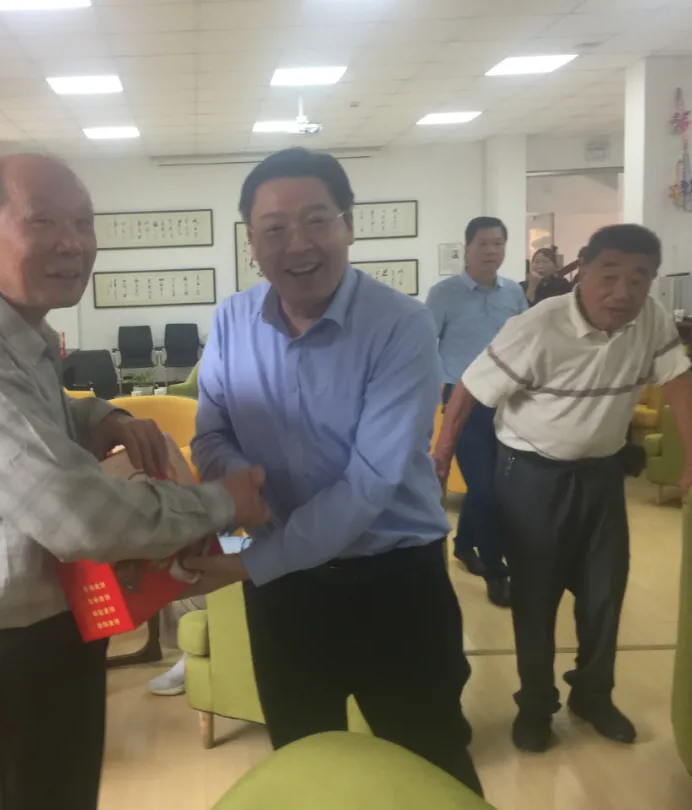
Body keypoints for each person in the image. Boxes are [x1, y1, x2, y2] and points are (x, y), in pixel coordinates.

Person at [0, 153, 269, 810]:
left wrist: (105, 418)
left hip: (55, 629)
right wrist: (220, 503)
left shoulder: (18, 335)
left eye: (83, 222)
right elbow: (80, 519)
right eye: (43, 222)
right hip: (6, 655)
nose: (72, 243)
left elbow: (42, 418)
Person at [181, 147, 482, 796]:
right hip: (286, 596)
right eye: (274, 228)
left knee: (429, 764)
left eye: (316, 220)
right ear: (252, 243)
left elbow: (370, 481)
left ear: (349, 224)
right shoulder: (232, 320)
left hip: (393, 584)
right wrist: (244, 486)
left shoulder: (401, 325)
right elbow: (211, 433)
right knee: (303, 765)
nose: (298, 244)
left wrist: (253, 559)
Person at [433, 223, 692, 754]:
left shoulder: (651, 320)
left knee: (604, 595)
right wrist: (439, 458)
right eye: (609, 275)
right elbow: (468, 392)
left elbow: (682, 385)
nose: (622, 292)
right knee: (536, 597)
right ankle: (535, 706)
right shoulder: (537, 326)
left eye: (638, 279)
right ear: (583, 271)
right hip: (530, 476)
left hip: (600, 477)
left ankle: (592, 696)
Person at [424, 217, 527, 608]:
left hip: (508, 403)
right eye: (483, 243)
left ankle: (465, 545)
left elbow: (525, 343)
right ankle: (498, 573)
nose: (491, 251)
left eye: (498, 243)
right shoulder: (444, 294)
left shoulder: (514, 293)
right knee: (484, 487)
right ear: (466, 248)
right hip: (461, 403)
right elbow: (425, 344)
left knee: (497, 486)